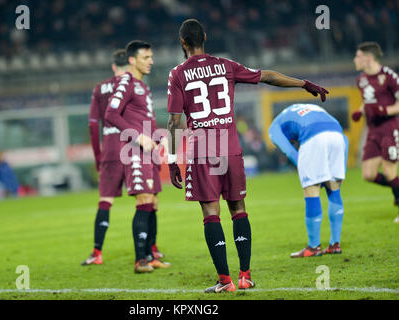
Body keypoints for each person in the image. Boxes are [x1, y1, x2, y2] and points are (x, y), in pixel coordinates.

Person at [166, 19, 329, 293]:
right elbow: (268, 76)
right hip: (230, 148)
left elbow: (173, 121)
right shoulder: (227, 65)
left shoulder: (178, 74)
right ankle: (245, 276)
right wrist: (304, 84)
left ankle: (224, 281)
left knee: (210, 213)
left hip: (203, 149)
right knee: (238, 209)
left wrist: (172, 159)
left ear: (182, 42)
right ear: (205, 37)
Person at [82, 49, 165, 266]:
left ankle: (97, 252)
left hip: (110, 149)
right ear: (129, 64)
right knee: (149, 198)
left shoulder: (101, 88)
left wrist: (98, 155)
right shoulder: (135, 86)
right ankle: (152, 250)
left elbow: (93, 124)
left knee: (106, 201)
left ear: (112, 66)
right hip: (134, 147)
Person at [105, 40, 171, 273]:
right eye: (146, 57)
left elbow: (142, 119)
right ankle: (140, 260)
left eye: (151, 57)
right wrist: (137, 136)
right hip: (134, 151)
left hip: (149, 152)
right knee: (144, 201)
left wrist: (156, 136)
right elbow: (111, 114)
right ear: (132, 60)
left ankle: (151, 255)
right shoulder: (126, 82)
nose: (151, 61)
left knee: (152, 202)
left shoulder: (143, 86)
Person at [269, 104, 348, 258]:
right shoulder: (306, 109)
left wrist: (304, 165)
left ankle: (313, 247)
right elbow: (344, 138)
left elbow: (288, 149)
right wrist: (341, 170)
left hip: (313, 137)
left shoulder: (274, 127)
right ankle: (335, 244)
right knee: (334, 189)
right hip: (338, 135)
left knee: (311, 190)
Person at [352, 42, 399, 224]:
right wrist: (360, 110)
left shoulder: (389, 76)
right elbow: (368, 102)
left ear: (368, 58)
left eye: (357, 56)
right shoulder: (361, 80)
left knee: (389, 170)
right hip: (372, 130)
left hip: (390, 127)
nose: (355, 60)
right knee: (368, 174)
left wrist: (384, 111)